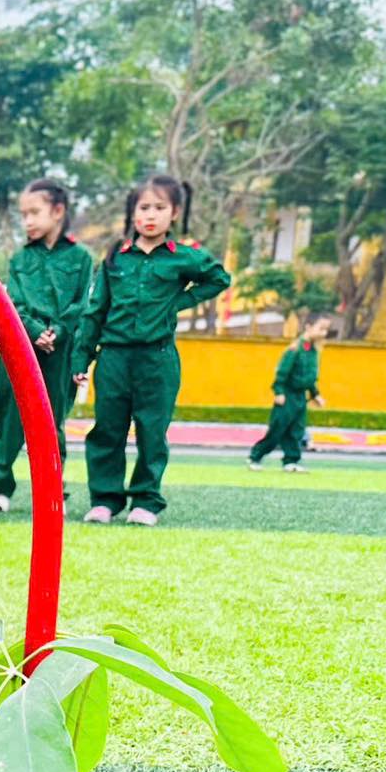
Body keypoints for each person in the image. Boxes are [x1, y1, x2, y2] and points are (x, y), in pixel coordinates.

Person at [78, 175, 231, 525]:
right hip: (114, 357)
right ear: (132, 214)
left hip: (157, 359)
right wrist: (82, 357)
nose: (150, 215)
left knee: (151, 430)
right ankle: (105, 500)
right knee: (107, 430)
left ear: (174, 213)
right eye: (143, 207)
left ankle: (146, 501)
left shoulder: (184, 259)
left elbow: (219, 278)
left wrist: (180, 300)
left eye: (159, 208)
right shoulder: (116, 258)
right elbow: (95, 310)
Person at [0, 178, 95, 513]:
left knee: (51, 421)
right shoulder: (19, 259)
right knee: (6, 417)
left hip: (59, 353)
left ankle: (51, 488)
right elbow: (11, 301)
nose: (28, 221)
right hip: (18, 348)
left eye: (35, 212)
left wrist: (58, 332)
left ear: (58, 211)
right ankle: (0, 488)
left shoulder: (81, 258)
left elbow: (82, 304)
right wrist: (33, 330)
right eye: (23, 215)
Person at [247, 315, 329, 473]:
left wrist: (315, 394)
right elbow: (282, 372)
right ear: (309, 327)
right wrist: (279, 392)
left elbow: (310, 377)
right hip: (287, 395)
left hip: (300, 397)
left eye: (326, 330)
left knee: (296, 430)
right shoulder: (295, 349)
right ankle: (255, 456)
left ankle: (291, 461)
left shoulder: (313, 351)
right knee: (277, 429)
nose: (323, 333)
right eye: (321, 328)